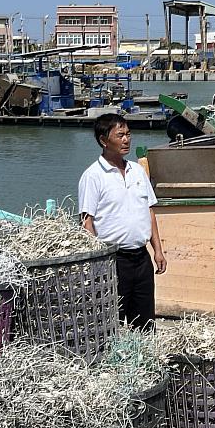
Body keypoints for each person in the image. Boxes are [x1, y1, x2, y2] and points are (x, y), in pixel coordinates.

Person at [78, 113, 167, 330]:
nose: (126, 139)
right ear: (103, 140)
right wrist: (97, 262)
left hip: (141, 258)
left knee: (145, 321)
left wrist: (158, 250)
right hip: (114, 261)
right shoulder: (93, 176)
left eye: (128, 134)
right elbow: (86, 222)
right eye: (120, 135)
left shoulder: (137, 171)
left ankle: (145, 359)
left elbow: (149, 211)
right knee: (112, 321)